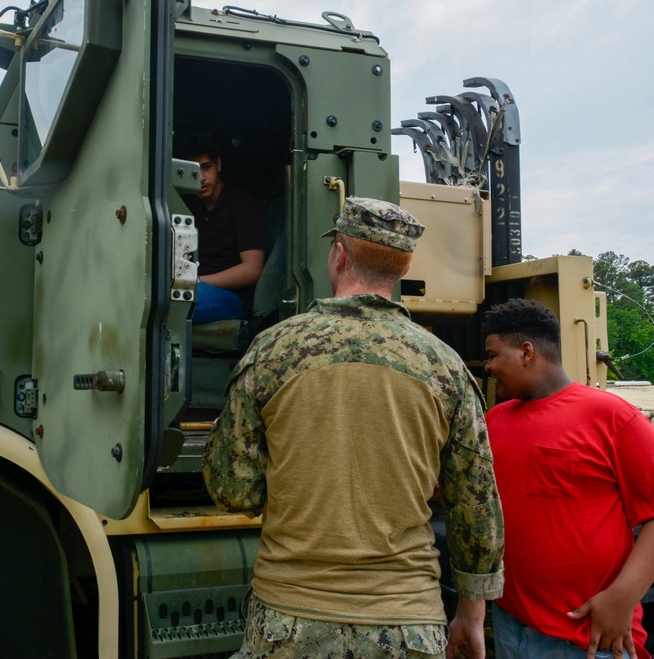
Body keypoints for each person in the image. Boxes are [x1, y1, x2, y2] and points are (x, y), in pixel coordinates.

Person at [202, 196, 504, 659]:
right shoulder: (445, 367)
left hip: (288, 619)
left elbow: (233, 490)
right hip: (408, 623)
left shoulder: (272, 351)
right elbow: (475, 502)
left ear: (338, 255)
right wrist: (471, 614)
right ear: (402, 271)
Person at [482, 298, 654, 659]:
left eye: (494, 354)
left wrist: (621, 599)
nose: (489, 366)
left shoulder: (613, 417)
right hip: (511, 624)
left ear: (526, 352)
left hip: (589, 636)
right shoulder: (495, 420)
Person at [178, 134, 268, 325]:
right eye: (194, 170)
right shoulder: (186, 207)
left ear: (218, 164)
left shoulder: (242, 205)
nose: (201, 178)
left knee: (176, 302)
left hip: (232, 297)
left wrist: (199, 281)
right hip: (193, 286)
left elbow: (252, 269)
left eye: (206, 167)